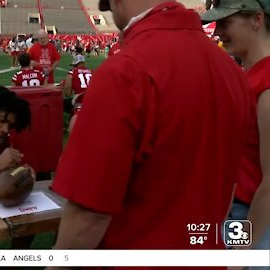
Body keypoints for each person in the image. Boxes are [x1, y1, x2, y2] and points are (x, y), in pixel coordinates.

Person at [49, 0, 251, 260]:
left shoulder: (123, 71)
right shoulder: (232, 72)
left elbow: (89, 213)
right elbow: (229, 188)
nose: (104, 10)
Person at [201, 0, 270, 255]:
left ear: (257, 20)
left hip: (254, 220)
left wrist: (244, 249)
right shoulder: (249, 75)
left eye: (226, 22)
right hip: (237, 214)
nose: (217, 32)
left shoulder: (266, 81)